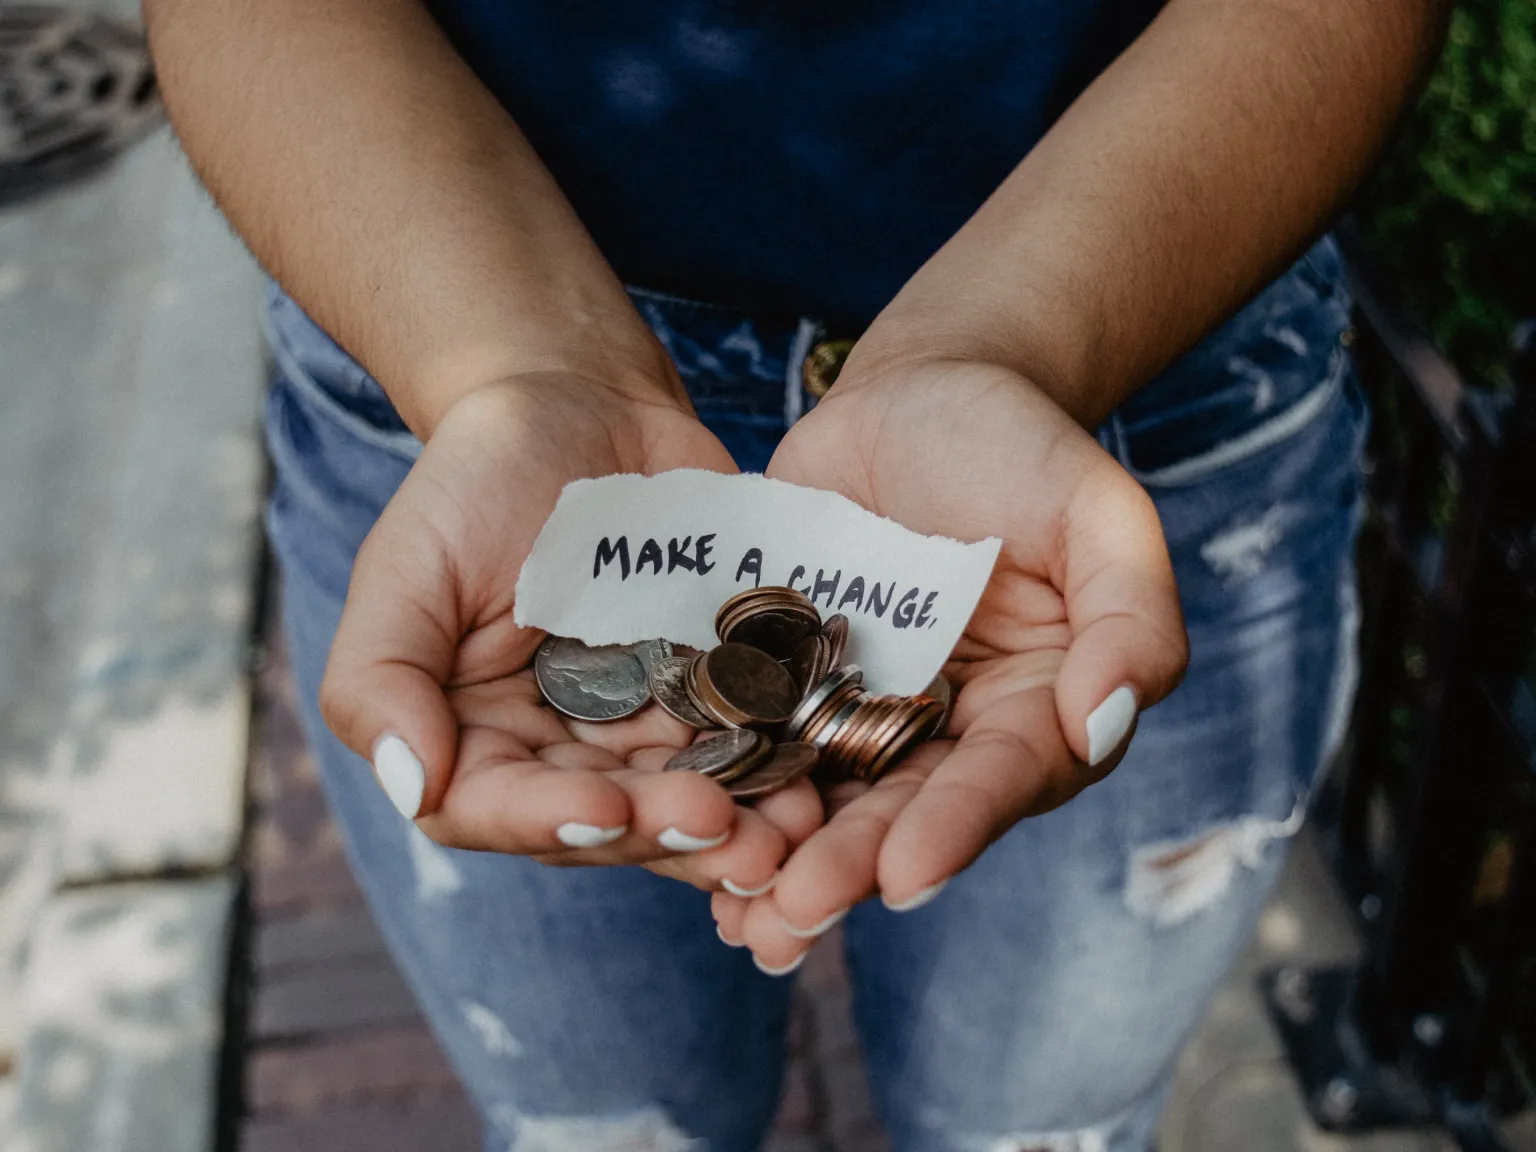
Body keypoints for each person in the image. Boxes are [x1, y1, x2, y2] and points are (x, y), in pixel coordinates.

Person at [145, 1, 1446, 1148]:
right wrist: (511, 376)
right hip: (453, 374)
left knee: (1042, 1139)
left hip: (1140, 354)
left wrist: (1000, 348)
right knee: (599, 1136)